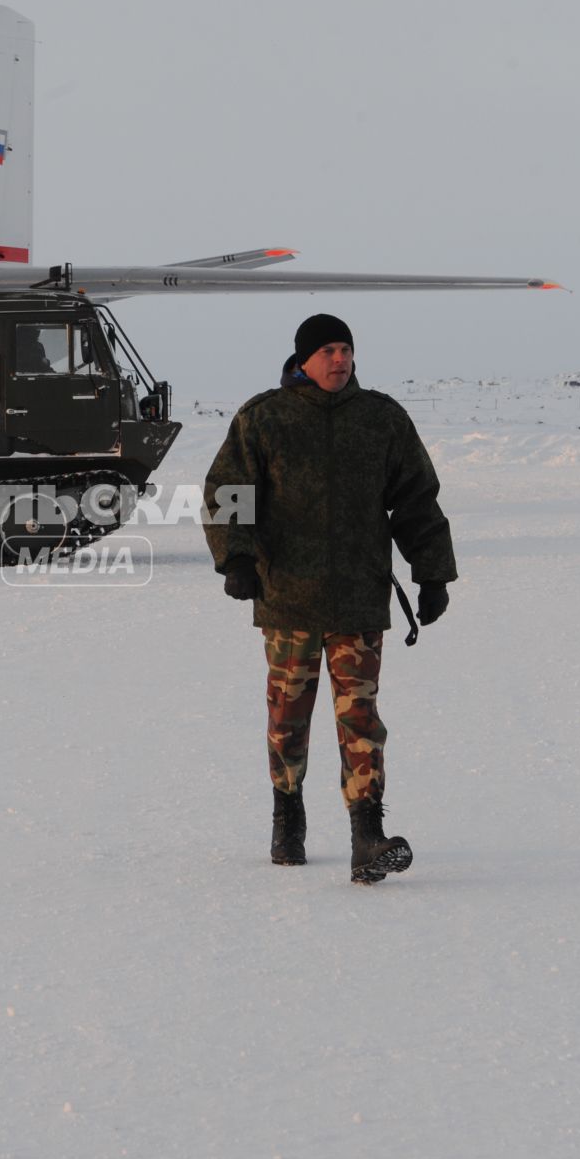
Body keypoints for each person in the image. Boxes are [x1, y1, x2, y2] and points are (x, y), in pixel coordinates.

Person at [203, 313, 455, 883]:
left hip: (358, 596)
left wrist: (432, 573)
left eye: (346, 349)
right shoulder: (264, 418)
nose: (339, 359)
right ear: (303, 359)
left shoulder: (381, 419)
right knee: (288, 718)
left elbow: (417, 499)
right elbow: (228, 489)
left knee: (359, 717)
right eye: (328, 351)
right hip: (287, 596)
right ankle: (287, 815)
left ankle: (367, 835)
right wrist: (237, 557)